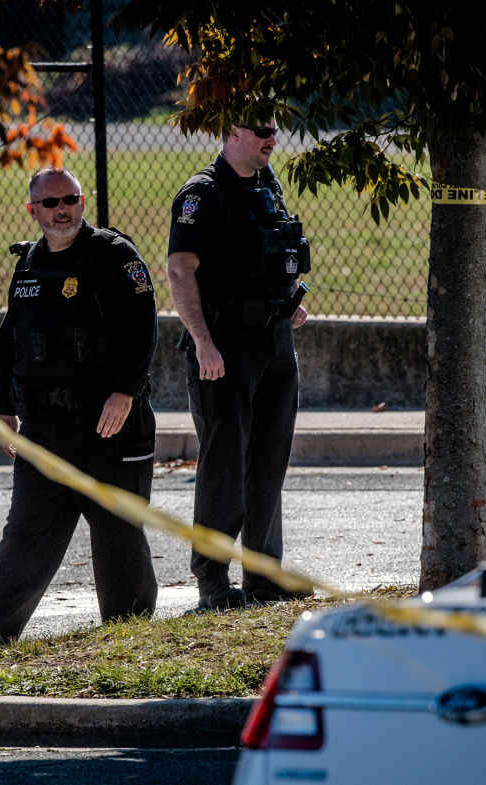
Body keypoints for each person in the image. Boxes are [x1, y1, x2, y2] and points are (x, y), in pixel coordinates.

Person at [0, 167, 159, 654]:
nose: (62, 209)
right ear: (33, 210)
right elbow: (10, 337)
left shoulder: (114, 256)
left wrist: (124, 392)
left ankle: (129, 638)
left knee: (117, 532)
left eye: (70, 199)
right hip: (45, 425)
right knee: (27, 532)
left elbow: (144, 328)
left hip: (110, 423)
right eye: (51, 202)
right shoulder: (31, 263)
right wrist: (4, 409)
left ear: (82, 202)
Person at [167, 118, 311, 610]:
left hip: (274, 340)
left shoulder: (269, 186)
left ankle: (264, 576)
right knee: (225, 466)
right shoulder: (202, 194)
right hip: (224, 346)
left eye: (275, 129)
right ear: (232, 132)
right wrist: (203, 341)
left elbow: (281, 250)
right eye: (262, 130)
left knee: (270, 459)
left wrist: (289, 300)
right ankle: (212, 580)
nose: (273, 138)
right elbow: (180, 269)